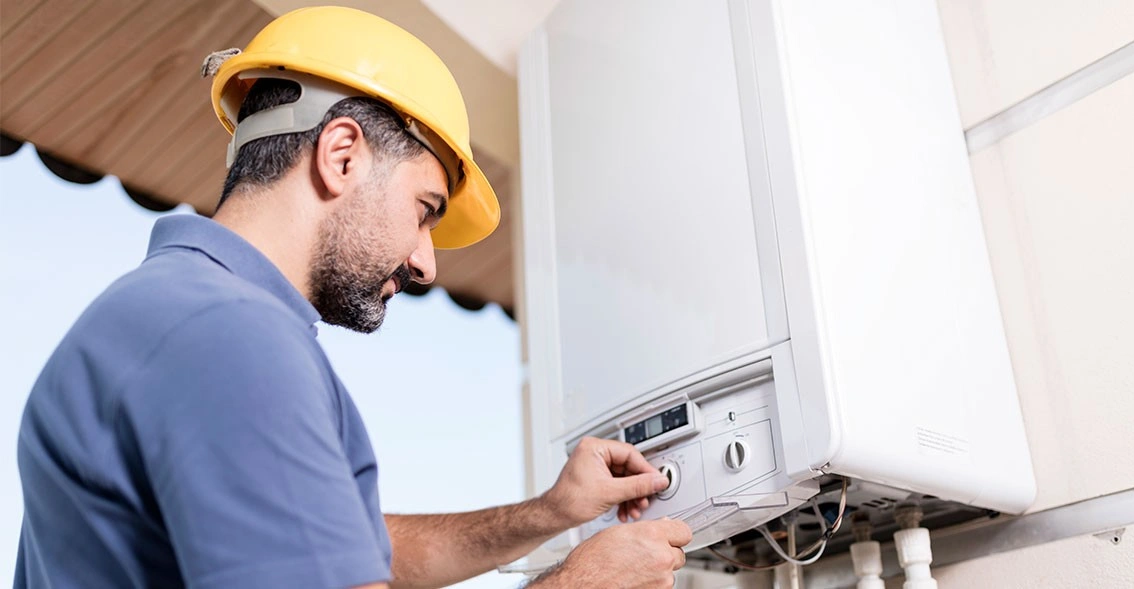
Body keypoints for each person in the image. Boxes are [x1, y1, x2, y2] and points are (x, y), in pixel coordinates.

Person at [14, 6, 691, 589]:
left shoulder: (180, 311)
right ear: (341, 155)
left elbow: (341, 544)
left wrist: (550, 511)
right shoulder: (229, 337)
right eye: (426, 209)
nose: (426, 262)